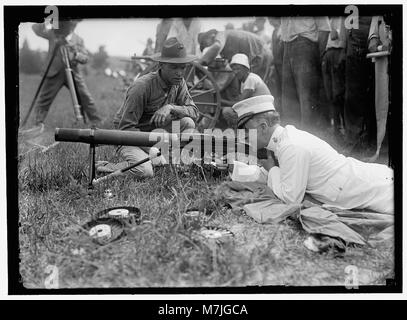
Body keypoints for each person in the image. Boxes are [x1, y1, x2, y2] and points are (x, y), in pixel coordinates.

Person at [232, 95, 394, 214]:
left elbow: (290, 199)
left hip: (365, 189)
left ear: (263, 126)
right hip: (355, 179)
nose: (244, 137)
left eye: (246, 132)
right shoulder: (284, 139)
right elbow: (268, 172)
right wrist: (233, 169)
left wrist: (273, 169)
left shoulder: (290, 146)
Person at [96, 38, 199, 179]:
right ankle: (105, 166)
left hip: (153, 132)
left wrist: (171, 107)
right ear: (161, 65)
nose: (180, 73)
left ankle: (169, 160)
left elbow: (194, 111)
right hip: (130, 136)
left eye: (183, 67)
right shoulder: (142, 86)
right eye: (174, 67)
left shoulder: (179, 83)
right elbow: (125, 127)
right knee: (144, 172)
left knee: (188, 123)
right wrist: (152, 151)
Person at [27, 19, 101, 132]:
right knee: (44, 100)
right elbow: (35, 28)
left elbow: (85, 58)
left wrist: (76, 54)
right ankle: (37, 125)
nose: (67, 25)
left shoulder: (78, 40)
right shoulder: (53, 33)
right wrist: (50, 21)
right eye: (64, 22)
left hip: (73, 73)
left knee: (85, 97)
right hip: (54, 73)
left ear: (74, 25)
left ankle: (96, 122)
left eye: (71, 22)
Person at [280, 16, 331, 129]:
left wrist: (316, 55)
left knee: (307, 98)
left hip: (305, 43)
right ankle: (292, 140)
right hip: (287, 45)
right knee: (289, 99)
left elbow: (324, 29)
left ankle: (309, 137)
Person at [197, 28, 272, 80]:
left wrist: (200, 63)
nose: (206, 46)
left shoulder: (220, 35)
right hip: (260, 54)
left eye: (204, 43)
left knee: (254, 83)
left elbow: (217, 46)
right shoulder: (227, 43)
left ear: (211, 36)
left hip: (261, 53)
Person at [222, 53, 271, 128]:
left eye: (238, 69)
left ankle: (240, 132)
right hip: (257, 109)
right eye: (234, 69)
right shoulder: (244, 81)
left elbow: (239, 103)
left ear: (246, 69)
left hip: (263, 111)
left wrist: (221, 102)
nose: (236, 72)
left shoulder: (251, 79)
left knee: (227, 111)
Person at [321, 16, 346, 136]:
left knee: (338, 94)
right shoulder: (330, 19)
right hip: (328, 53)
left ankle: (342, 128)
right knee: (330, 94)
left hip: (338, 50)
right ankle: (337, 128)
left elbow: (335, 35)